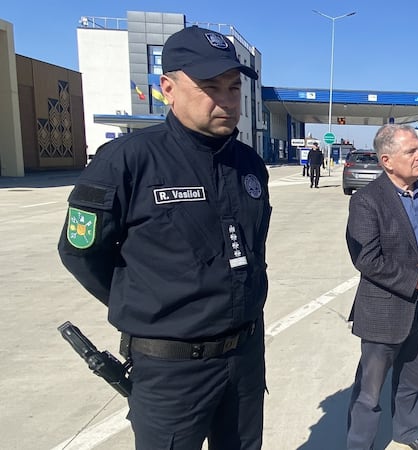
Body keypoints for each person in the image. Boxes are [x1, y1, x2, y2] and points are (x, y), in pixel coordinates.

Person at [57, 26, 271, 450]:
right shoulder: (127, 160)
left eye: (233, 88)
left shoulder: (249, 164)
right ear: (167, 89)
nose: (227, 101)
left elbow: (252, 249)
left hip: (244, 358)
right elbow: (80, 251)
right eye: (210, 87)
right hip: (171, 371)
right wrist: (151, 303)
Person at [345, 124, 418, 450]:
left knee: (413, 378)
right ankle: (359, 444)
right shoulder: (367, 201)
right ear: (387, 160)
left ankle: (407, 432)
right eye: (411, 151)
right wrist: (415, 279)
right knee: (369, 390)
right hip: (384, 309)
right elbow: (366, 258)